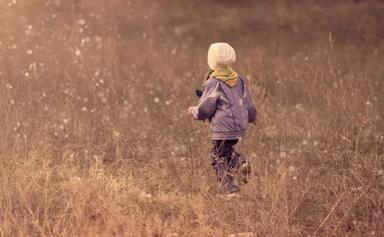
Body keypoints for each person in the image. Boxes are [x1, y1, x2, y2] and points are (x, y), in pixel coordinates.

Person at [187, 42, 257, 193]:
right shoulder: (239, 80)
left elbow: (206, 108)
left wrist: (194, 111)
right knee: (226, 152)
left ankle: (230, 188)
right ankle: (241, 162)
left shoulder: (213, 82)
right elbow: (248, 102)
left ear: (211, 60)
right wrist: (251, 117)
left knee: (217, 158)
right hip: (239, 126)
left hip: (223, 127)